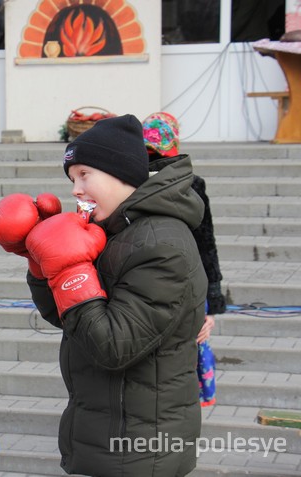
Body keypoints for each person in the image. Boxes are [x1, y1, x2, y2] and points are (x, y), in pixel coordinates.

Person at [7, 114, 206, 476]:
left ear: (121, 173)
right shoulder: (117, 231)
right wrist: (40, 264)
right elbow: (70, 319)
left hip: (142, 445)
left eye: (85, 174)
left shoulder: (161, 242)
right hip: (112, 430)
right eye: (71, 179)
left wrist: (69, 270)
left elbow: (114, 345)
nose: (76, 190)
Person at [143, 111, 224, 407]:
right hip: (188, 284)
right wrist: (211, 305)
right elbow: (207, 246)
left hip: (151, 288)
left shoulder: (131, 181)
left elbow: (206, 243)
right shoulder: (191, 182)